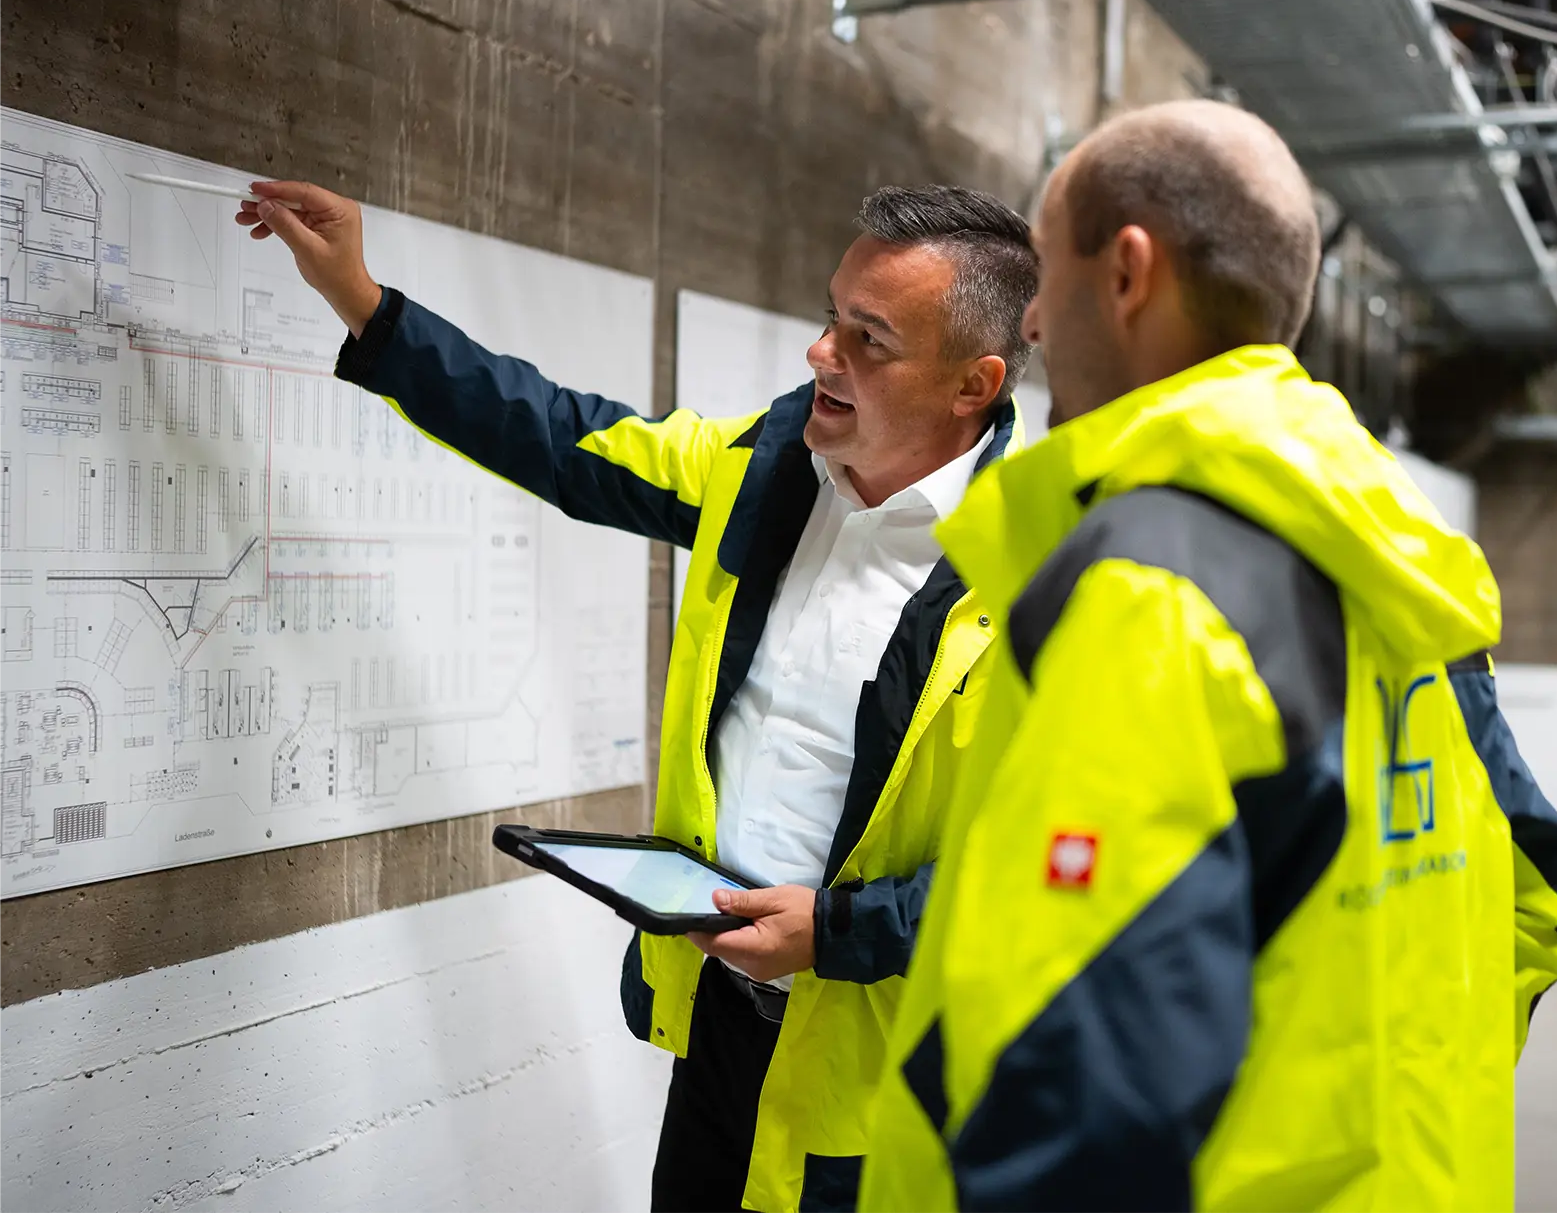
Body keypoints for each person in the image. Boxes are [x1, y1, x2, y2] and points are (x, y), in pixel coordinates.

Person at [239, 180, 1039, 1213]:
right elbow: (560, 436)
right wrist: (363, 300)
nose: (821, 353)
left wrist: (838, 932)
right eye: (829, 315)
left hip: (881, 1077)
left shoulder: (1040, 570)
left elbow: (1046, 871)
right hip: (717, 1015)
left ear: (973, 383)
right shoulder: (762, 469)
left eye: (869, 338)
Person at [857, 101, 1557, 1213]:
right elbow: (1539, 898)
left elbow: (1067, 1097)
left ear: (1130, 272)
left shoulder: (1156, 588)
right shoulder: (1390, 562)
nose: (1038, 322)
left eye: (1050, 272)